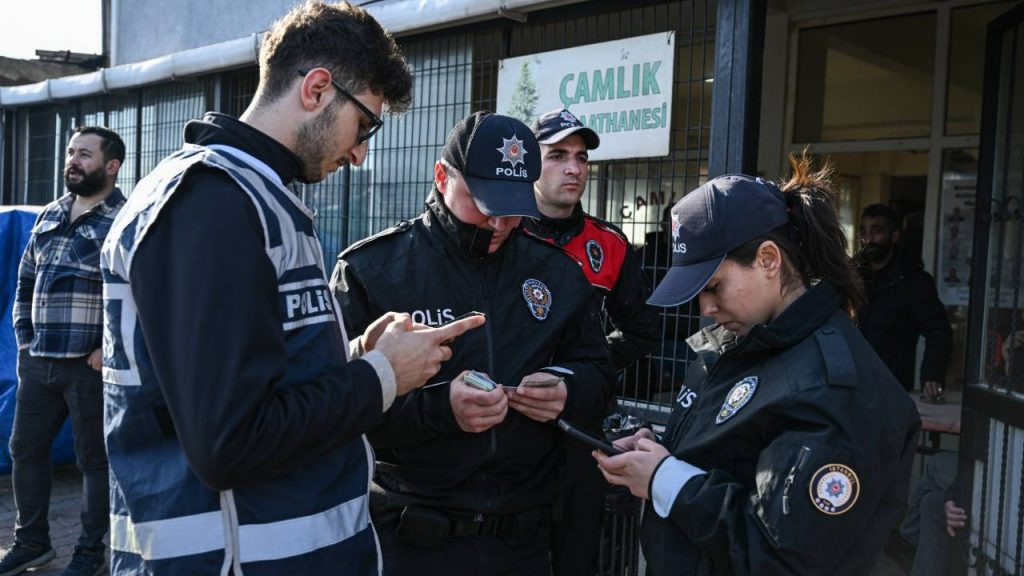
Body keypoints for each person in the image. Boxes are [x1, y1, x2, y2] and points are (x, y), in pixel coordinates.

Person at [97, 3, 483, 575]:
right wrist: (382, 376)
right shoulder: (213, 202)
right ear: (318, 89)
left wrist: (354, 356)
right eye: (365, 125)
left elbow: (244, 379)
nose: (360, 153)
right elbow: (229, 441)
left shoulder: (253, 198)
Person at [593, 156, 922, 575]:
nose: (706, 308)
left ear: (769, 259)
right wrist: (656, 452)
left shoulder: (831, 388)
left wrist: (665, 479)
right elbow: (730, 455)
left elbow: (780, 557)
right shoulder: (746, 339)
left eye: (713, 287)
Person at [331, 111, 616, 576]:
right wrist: (442, 410)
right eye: (482, 202)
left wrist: (567, 389)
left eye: (512, 204)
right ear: (442, 177)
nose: (498, 221)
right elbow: (332, 406)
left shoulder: (558, 274)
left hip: (521, 545)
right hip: (412, 542)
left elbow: (599, 375)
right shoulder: (373, 272)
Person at [522, 108, 660, 576]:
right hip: (511, 429)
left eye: (581, 158)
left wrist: (586, 371)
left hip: (582, 430)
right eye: (557, 155)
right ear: (529, 164)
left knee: (576, 554)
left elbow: (642, 330)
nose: (574, 168)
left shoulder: (610, 243)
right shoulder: (502, 231)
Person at [2, 126, 126, 576]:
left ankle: (90, 552)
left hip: (89, 367)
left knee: (94, 461)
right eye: (71, 152)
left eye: (85, 155)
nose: (73, 161)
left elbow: (134, 294)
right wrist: (24, 338)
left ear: (111, 166)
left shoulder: (125, 220)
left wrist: (104, 350)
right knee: (25, 450)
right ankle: (32, 543)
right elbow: (25, 281)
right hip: (39, 362)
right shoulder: (51, 213)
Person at [857, 203, 952, 399]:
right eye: (864, 232)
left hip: (891, 388)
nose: (868, 239)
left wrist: (931, 376)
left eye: (877, 231)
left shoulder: (913, 281)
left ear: (895, 236)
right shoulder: (850, 277)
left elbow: (938, 331)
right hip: (848, 384)